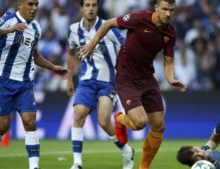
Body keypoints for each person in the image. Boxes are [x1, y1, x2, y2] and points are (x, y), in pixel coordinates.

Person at [79, 0, 186, 168]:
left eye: (171, 10)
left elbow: (169, 62)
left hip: (148, 78)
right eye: (164, 9)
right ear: (156, 8)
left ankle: (143, 167)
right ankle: (119, 119)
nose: (168, 14)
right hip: (126, 77)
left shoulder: (171, 32)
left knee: (159, 125)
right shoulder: (140, 18)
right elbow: (108, 23)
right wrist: (92, 44)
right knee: (139, 123)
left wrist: (170, 78)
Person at [0, 0, 68, 169]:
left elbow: (35, 56)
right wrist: (8, 30)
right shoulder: (9, 18)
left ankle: (34, 166)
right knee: (3, 126)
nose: (34, 8)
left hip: (25, 83)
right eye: (30, 4)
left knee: (30, 122)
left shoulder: (37, 28)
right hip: (3, 80)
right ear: (20, 4)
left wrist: (54, 67)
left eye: (36, 5)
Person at [66, 0, 134, 169]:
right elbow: (71, 52)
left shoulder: (108, 27)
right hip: (86, 81)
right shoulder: (73, 30)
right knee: (79, 114)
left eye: (94, 5)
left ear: (97, 8)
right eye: (87, 5)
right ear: (81, 8)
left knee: (103, 122)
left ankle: (125, 150)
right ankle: (77, 163)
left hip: (108, 82)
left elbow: (126, 48)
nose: (91, 8)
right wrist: (68, 78)